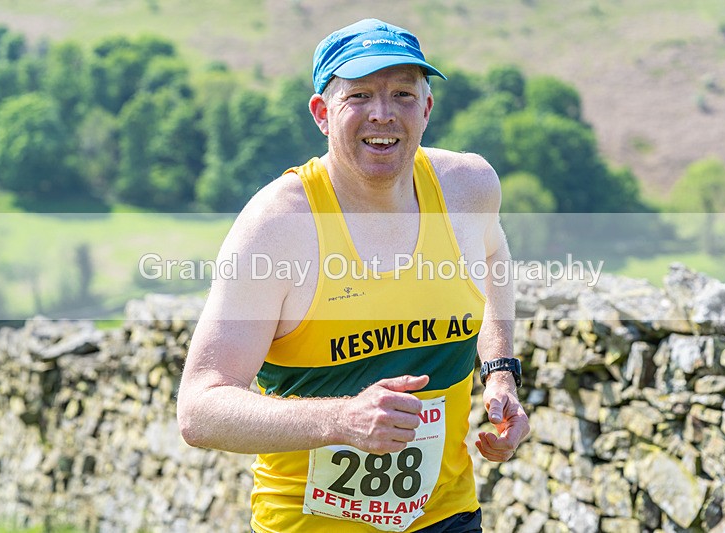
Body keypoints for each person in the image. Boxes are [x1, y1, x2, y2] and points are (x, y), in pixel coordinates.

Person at [177, 18, 530, 533]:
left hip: (447, 516)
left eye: (404, 95)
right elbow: (199, 409)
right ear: (322, 113)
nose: (383, 115)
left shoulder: (468, 189)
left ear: (427, 109)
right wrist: (343, 420)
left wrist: (499, 370)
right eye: (359, 95)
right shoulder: (280, 226)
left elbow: (495, 259)